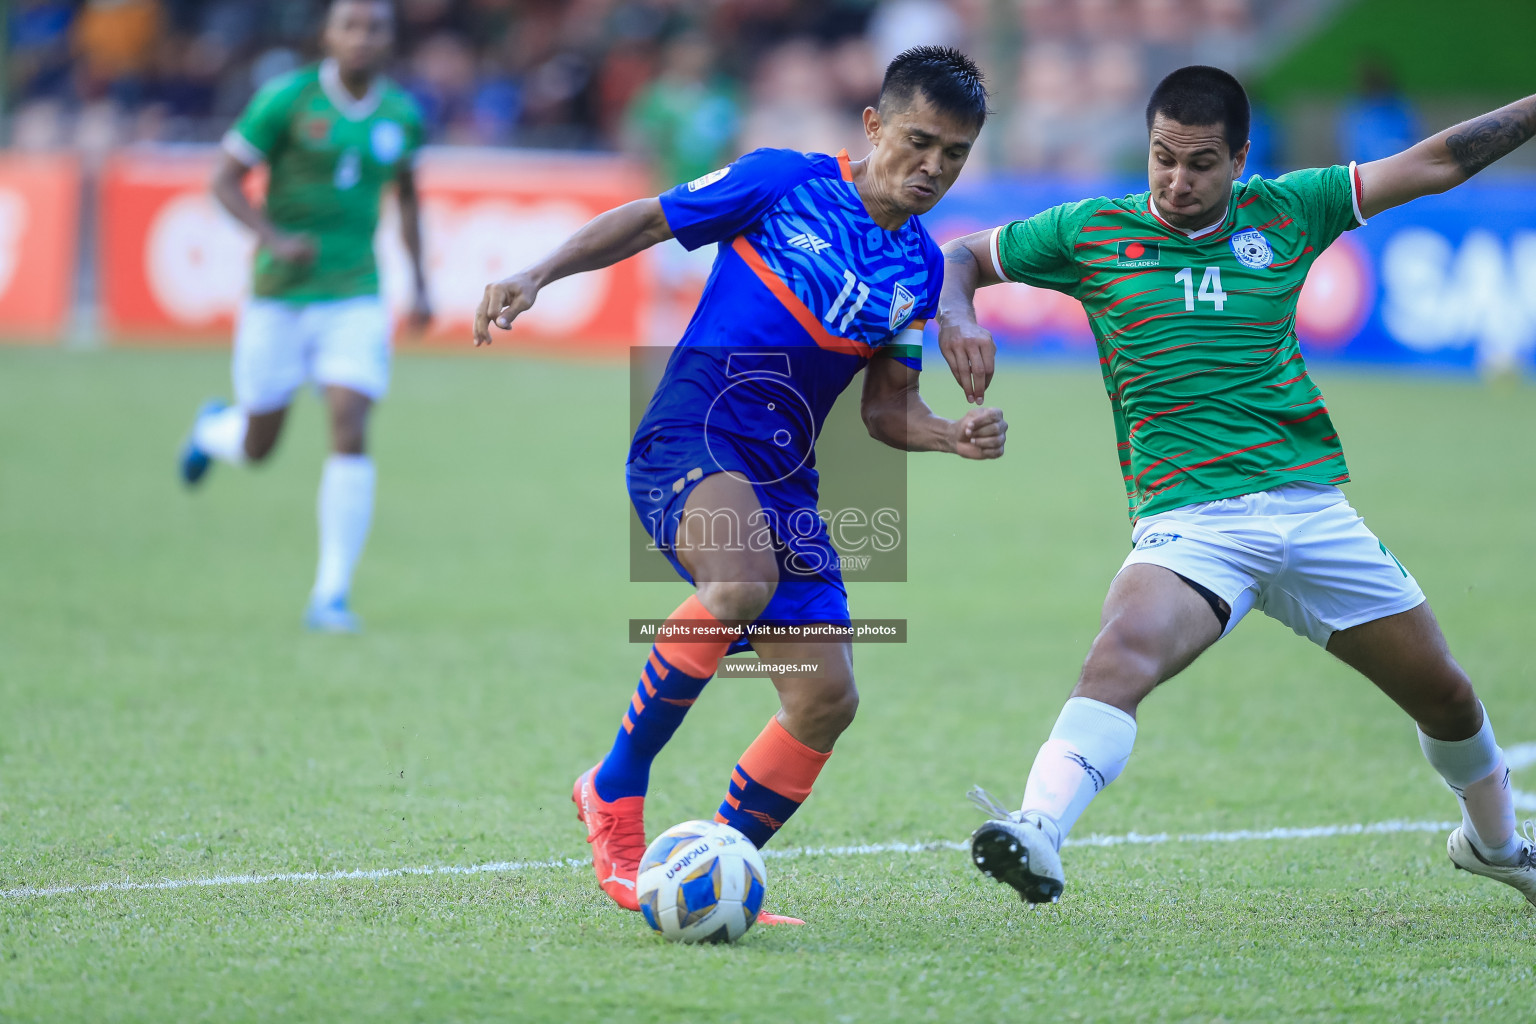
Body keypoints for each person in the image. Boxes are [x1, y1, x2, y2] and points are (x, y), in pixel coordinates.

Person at [940, 65, 1536, 907]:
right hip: (1191, 525)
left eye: (1201, 163)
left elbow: (1439, 160)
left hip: (1314, 510)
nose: (1178, 181)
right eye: (1162, 158)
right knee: (1121, 653)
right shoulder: (1089, 230)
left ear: (1241, 159)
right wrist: (959, 316)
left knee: (1446, 694)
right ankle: (1039, 826)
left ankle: (1497, 845)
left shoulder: (1292, 209)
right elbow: (960, 255)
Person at [474, 46, 1004, 924]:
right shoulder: (781, 181)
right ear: (873, 125)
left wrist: (950, 434)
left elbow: (886, 411)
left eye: (955, 154)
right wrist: (540, 271)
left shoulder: (915, 272)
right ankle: (613, 789)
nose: (933, 167)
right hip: (692, 434)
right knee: (740, 582)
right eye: (919, 140)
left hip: (785, 481)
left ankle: (710, 866)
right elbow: (650, 221)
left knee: (826, 700)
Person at [178, 0, 430, 633]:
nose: (363, 38)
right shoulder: (286, 100)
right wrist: (272, 237)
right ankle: (214, 432)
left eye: (376, 28)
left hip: (355, 293)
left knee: (349, 420)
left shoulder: (401, 114)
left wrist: (421, 284)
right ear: (328, 34)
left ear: (389, 41)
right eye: (351, 26)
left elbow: (407, 199)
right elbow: (224, 180)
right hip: (280, 295)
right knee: (259, 444)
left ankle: (331, 594)